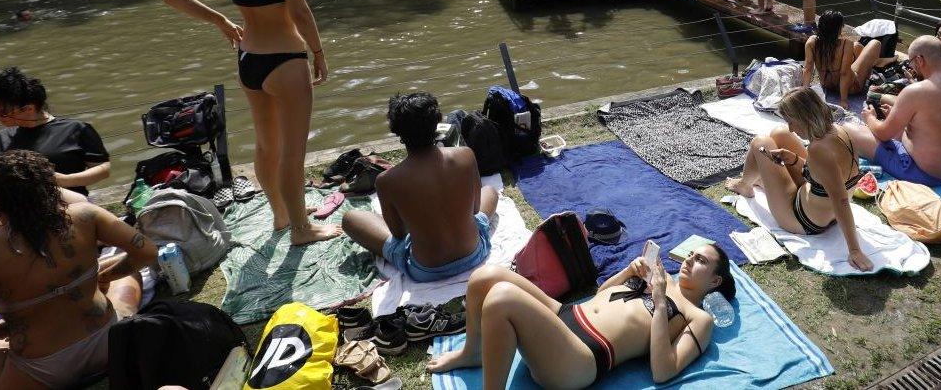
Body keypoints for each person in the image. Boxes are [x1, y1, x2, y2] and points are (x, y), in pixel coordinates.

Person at [163, 0, 340, 245]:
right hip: (286, 59)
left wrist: (221, 20)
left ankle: (280, 217)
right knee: (294, 151)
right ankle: (301, 229)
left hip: (249, 60)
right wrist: (319, 53)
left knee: (265, 145)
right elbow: (301, 11)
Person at [426, 244, 736, 388]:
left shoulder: (698, 318)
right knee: (486, 276)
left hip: (582, 356)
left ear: (715, 281)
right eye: (692, 255)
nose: (689, 260)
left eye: (701, 261)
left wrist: (657, 301)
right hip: (566, 315)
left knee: (502, 299)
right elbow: (602, 294)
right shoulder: (661, 274)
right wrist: (629, 271)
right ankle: (473, 352)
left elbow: (664, 371)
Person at [0, 150, 156, 389]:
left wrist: (1, 330)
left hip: (40, 367)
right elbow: (147, 252)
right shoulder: (85, 215)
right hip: (109, 341)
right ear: (51, 184)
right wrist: (103, 277)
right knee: (127, 275)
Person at [342, 92, 499, 283]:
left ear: (397, 132)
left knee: (351, 218)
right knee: (490, 191)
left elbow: (398, 234)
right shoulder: (465, 155)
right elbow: (475, 210)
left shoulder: (386, 181)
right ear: (437, 123)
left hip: (426, 270)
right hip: (475, 253)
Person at [725, 87, 874, 272]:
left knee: (760, 143)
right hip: (821, 209)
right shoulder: (842, 131)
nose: (791, 128)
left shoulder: (818, 149)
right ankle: (759, 180)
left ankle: (744, 185)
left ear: (805, 118)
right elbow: (826, 175)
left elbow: (841, 199)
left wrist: (854, 250)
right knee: (780, 133)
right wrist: (794, 160)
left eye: (792, 121)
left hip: (800, 219)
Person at [844, 36, 941, 187]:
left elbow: (883, 134)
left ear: (920, 60)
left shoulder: (915, 91)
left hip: (926, 174)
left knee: (849, 129)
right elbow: (936, 125)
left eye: (912, 62)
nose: (911, 68)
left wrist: (870, 117)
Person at [0, 67, 110, 196]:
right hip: (14, 210)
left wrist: (64, 180)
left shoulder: (75, 129)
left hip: (68, 205)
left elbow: (103, 170)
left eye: (2, 112)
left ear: (28, 109)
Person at [802, 11, 882, 109]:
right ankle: (869, 75)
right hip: (851, 88)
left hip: (826, 84)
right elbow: (844, 73)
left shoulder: (811, 41)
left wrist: (803, 93)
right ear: (838, 28)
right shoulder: (846, 44)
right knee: (875, 43)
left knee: (857, 46)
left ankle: (871, 71)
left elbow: (808, 68)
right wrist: (843, 100)